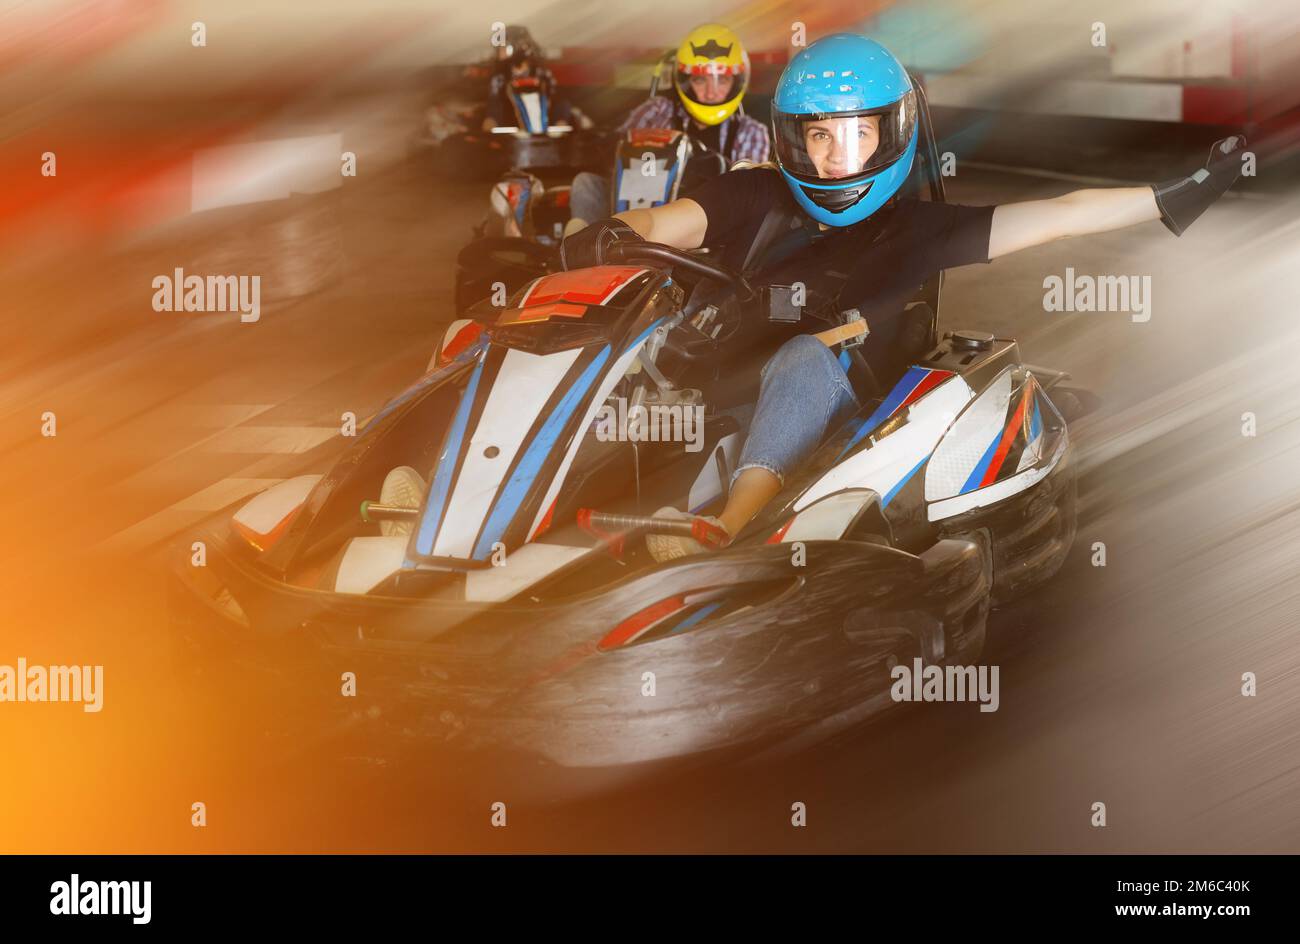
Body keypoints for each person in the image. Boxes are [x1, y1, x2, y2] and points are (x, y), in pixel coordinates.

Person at [559, 32, 1248, 562]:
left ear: (891, 133)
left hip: (845, 378)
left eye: (858, 134)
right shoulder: (754, 192)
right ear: (790, 138)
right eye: (818, 135)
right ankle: (535, 498)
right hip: (734, 363)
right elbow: (667, 222)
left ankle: (728, 522)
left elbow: (1059, 214)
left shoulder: (922, 230)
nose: (835, 157)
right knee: (640, 329)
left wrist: (1174, 198)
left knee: (801, 354)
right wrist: (613, 233)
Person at [566, 23, 770, 231]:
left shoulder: (751, 132)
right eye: (700, 80)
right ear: (685, 81)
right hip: (637, 209)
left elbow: (748, 196)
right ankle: (576, 249)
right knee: (586, 183)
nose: (711, 92)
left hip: (701, 228)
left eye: (722, 80)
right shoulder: (659, 110)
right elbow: (618, 145)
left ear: (737, 81)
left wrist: (709, 165)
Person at [483, 26, 592, 133]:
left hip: (544, 123)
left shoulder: (541, 73)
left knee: (565, 105)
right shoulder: (499, 77)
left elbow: (556, 99)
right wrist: (490, 123)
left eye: (503, 48)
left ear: (519, 47)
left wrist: (561, 121)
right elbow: (495, 105)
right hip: (514, 126)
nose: (499, 52)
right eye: (499, 48)